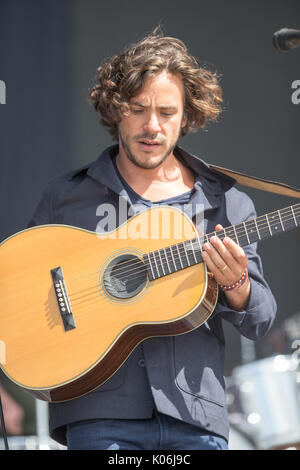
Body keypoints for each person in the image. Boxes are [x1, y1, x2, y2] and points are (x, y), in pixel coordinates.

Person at [27, 28, 277, 450]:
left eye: (166, 111)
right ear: (115, 110)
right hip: (98, 415)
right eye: (138, 109)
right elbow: (18, 290)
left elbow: (261, 319)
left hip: (194, 417)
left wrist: (236, 284)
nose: (152, 126)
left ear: (186, 116)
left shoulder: (224, 202)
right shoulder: (67, 195)